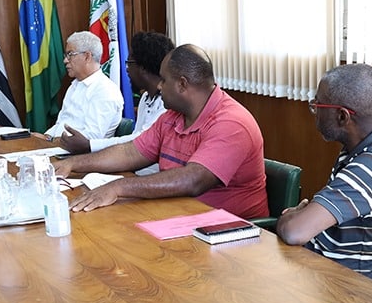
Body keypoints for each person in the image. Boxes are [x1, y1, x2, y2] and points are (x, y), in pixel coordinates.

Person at [54, 44, 268, 218]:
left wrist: (118, 187)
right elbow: (130, 153)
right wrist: (72, 164)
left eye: (164, 80)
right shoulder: (172, 116)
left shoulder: (231, 122)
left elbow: (192, 180)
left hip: (228, 233)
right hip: (177, 215)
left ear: (182, 84)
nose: (158, 86)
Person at [275, 64, 372, 283]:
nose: (314, 110)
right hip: (322, 269)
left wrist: (287, 217)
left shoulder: (371, 167)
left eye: (318, 105)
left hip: (344, 288)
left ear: (342, 116)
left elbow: (294, 231)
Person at [59, 31, 174, 176]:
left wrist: (90, 145)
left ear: (143, 68)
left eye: (129, 63)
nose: (127, 69)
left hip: (152, 177)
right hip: (132, 171)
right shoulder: (146, 98)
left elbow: (139, 141)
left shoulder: (168, 104)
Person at [40, 31, 124, 142]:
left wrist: (52, 141)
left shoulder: (105, 90)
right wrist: (46, 137)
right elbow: (61, 123)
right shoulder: (75, 86)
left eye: (70, 54)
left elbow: (90, 138)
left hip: (79, 151)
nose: (65, 60)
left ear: (87, 56)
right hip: (59, 145)